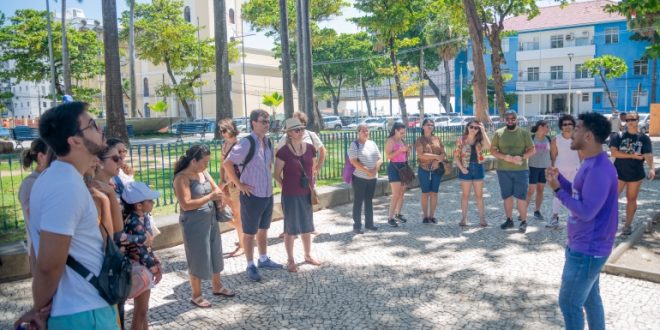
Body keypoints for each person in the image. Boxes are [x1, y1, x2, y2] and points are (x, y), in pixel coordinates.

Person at [15, 102, 119, 329]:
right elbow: (48, 265)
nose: (100, 129)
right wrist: (39, 311)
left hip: (80, 309)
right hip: (84, 313)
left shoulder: (55, 178)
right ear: (75, 141)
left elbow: (38, 251)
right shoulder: (65, 185)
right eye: (92, 125)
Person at [546, 112, 618, 330]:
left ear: (587, 136)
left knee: (569, 303)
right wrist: (562, 182)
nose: (571, 133)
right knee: (590, 298)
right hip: (584, 245)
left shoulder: (599, 169)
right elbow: (581, 194)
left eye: (576, 128)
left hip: (588, 249)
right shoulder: (591, 162)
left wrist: (558, 190)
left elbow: (586, 212)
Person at [224, 109, 284, 282]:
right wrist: (239, 184)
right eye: (263, 121)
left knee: (263, 229)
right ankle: (250, 264)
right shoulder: (246, 143)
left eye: (268, 121)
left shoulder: (268, 142)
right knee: (249, 232)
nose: (266, 124)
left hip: (267, 193)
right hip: (252, 194)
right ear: (253, 123)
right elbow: (227, 164)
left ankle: (263, 258)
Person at [173, 144, 234, 308]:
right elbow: (186, 204)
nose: (207, 165)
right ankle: (196, 295)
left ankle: (217, 286)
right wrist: (210, 197)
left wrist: (219, 199)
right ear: (194, 161)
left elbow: (216, 190)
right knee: (197, 257)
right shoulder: (182, 178)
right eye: (205, 162)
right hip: (193, 224)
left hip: (210, 219)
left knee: (215, 252)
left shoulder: (203, 172)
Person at [274, 118, 322, 272]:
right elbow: (276, 174)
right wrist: (286, 186)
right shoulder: (283, 151)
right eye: (297, 130)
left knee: (307, 225)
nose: (300, 132)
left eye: (302, 129)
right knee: (290, 228)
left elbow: (312, 169)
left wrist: (311, 185)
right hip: (290, 195)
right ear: (289, 133)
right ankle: (290, 259)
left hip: (306, 192)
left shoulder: (309, 148)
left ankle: (308, 255)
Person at [276, 111, 326, 238]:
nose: (299, 130)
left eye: (300, 125)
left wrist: (317, 168)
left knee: (309, 200)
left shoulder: (310, 135)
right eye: (295, 126)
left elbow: (321, 150)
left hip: (307, 177)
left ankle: (309, 227)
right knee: (290, 206)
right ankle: (288, 229)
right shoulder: (284, 139)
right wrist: (283, 183)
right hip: (292, 180)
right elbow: (279, 155)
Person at [121, 181, 163, 330]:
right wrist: (154, 268)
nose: (153, 202)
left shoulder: (142, 218)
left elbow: (147, 248)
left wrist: (156, 263)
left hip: (142, 267)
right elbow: (141, 252)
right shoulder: (135, 223)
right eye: (150, 200)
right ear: (139, 205)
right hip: (139, 268)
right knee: (141, 311)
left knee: (143, 311)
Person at [609, 111, 655, 235]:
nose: (629, 122)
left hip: (635, 174)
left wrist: (651, 168)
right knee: (611, 199)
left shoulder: (643, 138)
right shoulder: (618, 136)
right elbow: (614, 153)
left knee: (631, 199)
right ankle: (608, 223)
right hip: (618, 173)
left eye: (632, 119)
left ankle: (627, 225)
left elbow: (648, 154)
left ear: (637, 120)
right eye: (627, 120)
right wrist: (632, 155)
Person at [491, 110, 535, 233]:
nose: (510, 121)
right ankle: (509, 220)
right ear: (504, 120)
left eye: (513, 119)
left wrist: (521, 157)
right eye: (508, 119)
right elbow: (493, 150)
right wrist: (504, 157)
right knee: (507, 196)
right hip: (503, 170)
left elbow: (532, 150)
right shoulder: (499, 133)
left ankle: (523, 221)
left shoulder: (524, 133)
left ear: (517, 119)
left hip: (521, 170)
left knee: (521, 197)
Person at [17, 138, 52, 266]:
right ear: (41, 156)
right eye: (52, 154)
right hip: (39, 250)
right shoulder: (30, 183)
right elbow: (34, 217)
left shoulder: (50, 179)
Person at [547, 114, 582, 229]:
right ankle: (554, 217)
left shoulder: (578, 138)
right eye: (564, 124)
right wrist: (552, 171)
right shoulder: (556, 139)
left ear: (573, 125)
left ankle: (573, 217)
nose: (567, 126)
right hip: (560, 170)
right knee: (558, 194)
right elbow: (553, 156)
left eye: (569, 124)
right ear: (561, 127)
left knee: (574, 194)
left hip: (575, 170)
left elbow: (581, 155)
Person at [454, 119, 490, 227]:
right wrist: (461, 168)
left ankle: (482, 219)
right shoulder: (461, 140)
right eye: (471, 127)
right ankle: (464, 218)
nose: (473, 129)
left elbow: (489, 146)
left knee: (479, 195)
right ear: (467, 127)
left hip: (478, 168)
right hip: (466, 169)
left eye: (476, 128)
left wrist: (483, 131)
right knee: (465, 195)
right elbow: (456, 156)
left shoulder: (480, 140)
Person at [349, 124, 383, 233]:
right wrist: (367, 171)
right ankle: (357, 226)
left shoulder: (372, 143)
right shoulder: (354, 145)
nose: (365, 133)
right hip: (360, 177)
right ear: (358, 132)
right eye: (363, 131)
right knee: (358, 202)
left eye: (367, 130)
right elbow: (354, 161)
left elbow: (380, 158)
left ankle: (369, 224)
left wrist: (375, 170)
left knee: (369, 201)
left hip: (372, 177)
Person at [218, 119, 245, 258]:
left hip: (235, 184)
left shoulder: (239, 144)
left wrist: (225, 183)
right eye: (221, 131)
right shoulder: (225, 144)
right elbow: (222, 164)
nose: (222, 133)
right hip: (227, 184)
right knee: (225, 212)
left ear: (231, 130)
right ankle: (245, 235)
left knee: (237, 215)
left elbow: (236, 167)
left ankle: (243, 244)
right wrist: (222, 182)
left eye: (224, 130)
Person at [415, 118, 447, 224]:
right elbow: (421, 155)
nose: (430, 126)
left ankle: (432, 216)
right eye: (428, 124)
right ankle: (425, 216)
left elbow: (443, 153)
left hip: (436, 169)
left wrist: (437, 162)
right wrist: (437, 157)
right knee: (425, 193)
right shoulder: (419, 140)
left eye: (432, 125)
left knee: (434, 193)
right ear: (423, 126)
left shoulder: (437, 139)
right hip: (424, 169)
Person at [384, 122, 410, 227]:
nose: (403, 134)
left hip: (403, 167)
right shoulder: (390, 141)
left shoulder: (402, 140)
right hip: (394, 168)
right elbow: (388, 156)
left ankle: (398, 214)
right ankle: (390, 218)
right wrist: (400, 150)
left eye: (404, 133)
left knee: (402, 193)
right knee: (395, 194)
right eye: (401, 133)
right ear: (396, 131)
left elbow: (405, 155)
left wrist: (407, 150)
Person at [526, 120, 551, 221]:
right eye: (547, 127)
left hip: (544, 168)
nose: (548, 129)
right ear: (540, 127)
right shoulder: (531, 138)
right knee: (530, 190)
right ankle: (523, 212)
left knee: (540, 190)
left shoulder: (548, 139)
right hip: (533, 167)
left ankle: (537, 211)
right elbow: (525, 151)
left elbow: (552, 154)